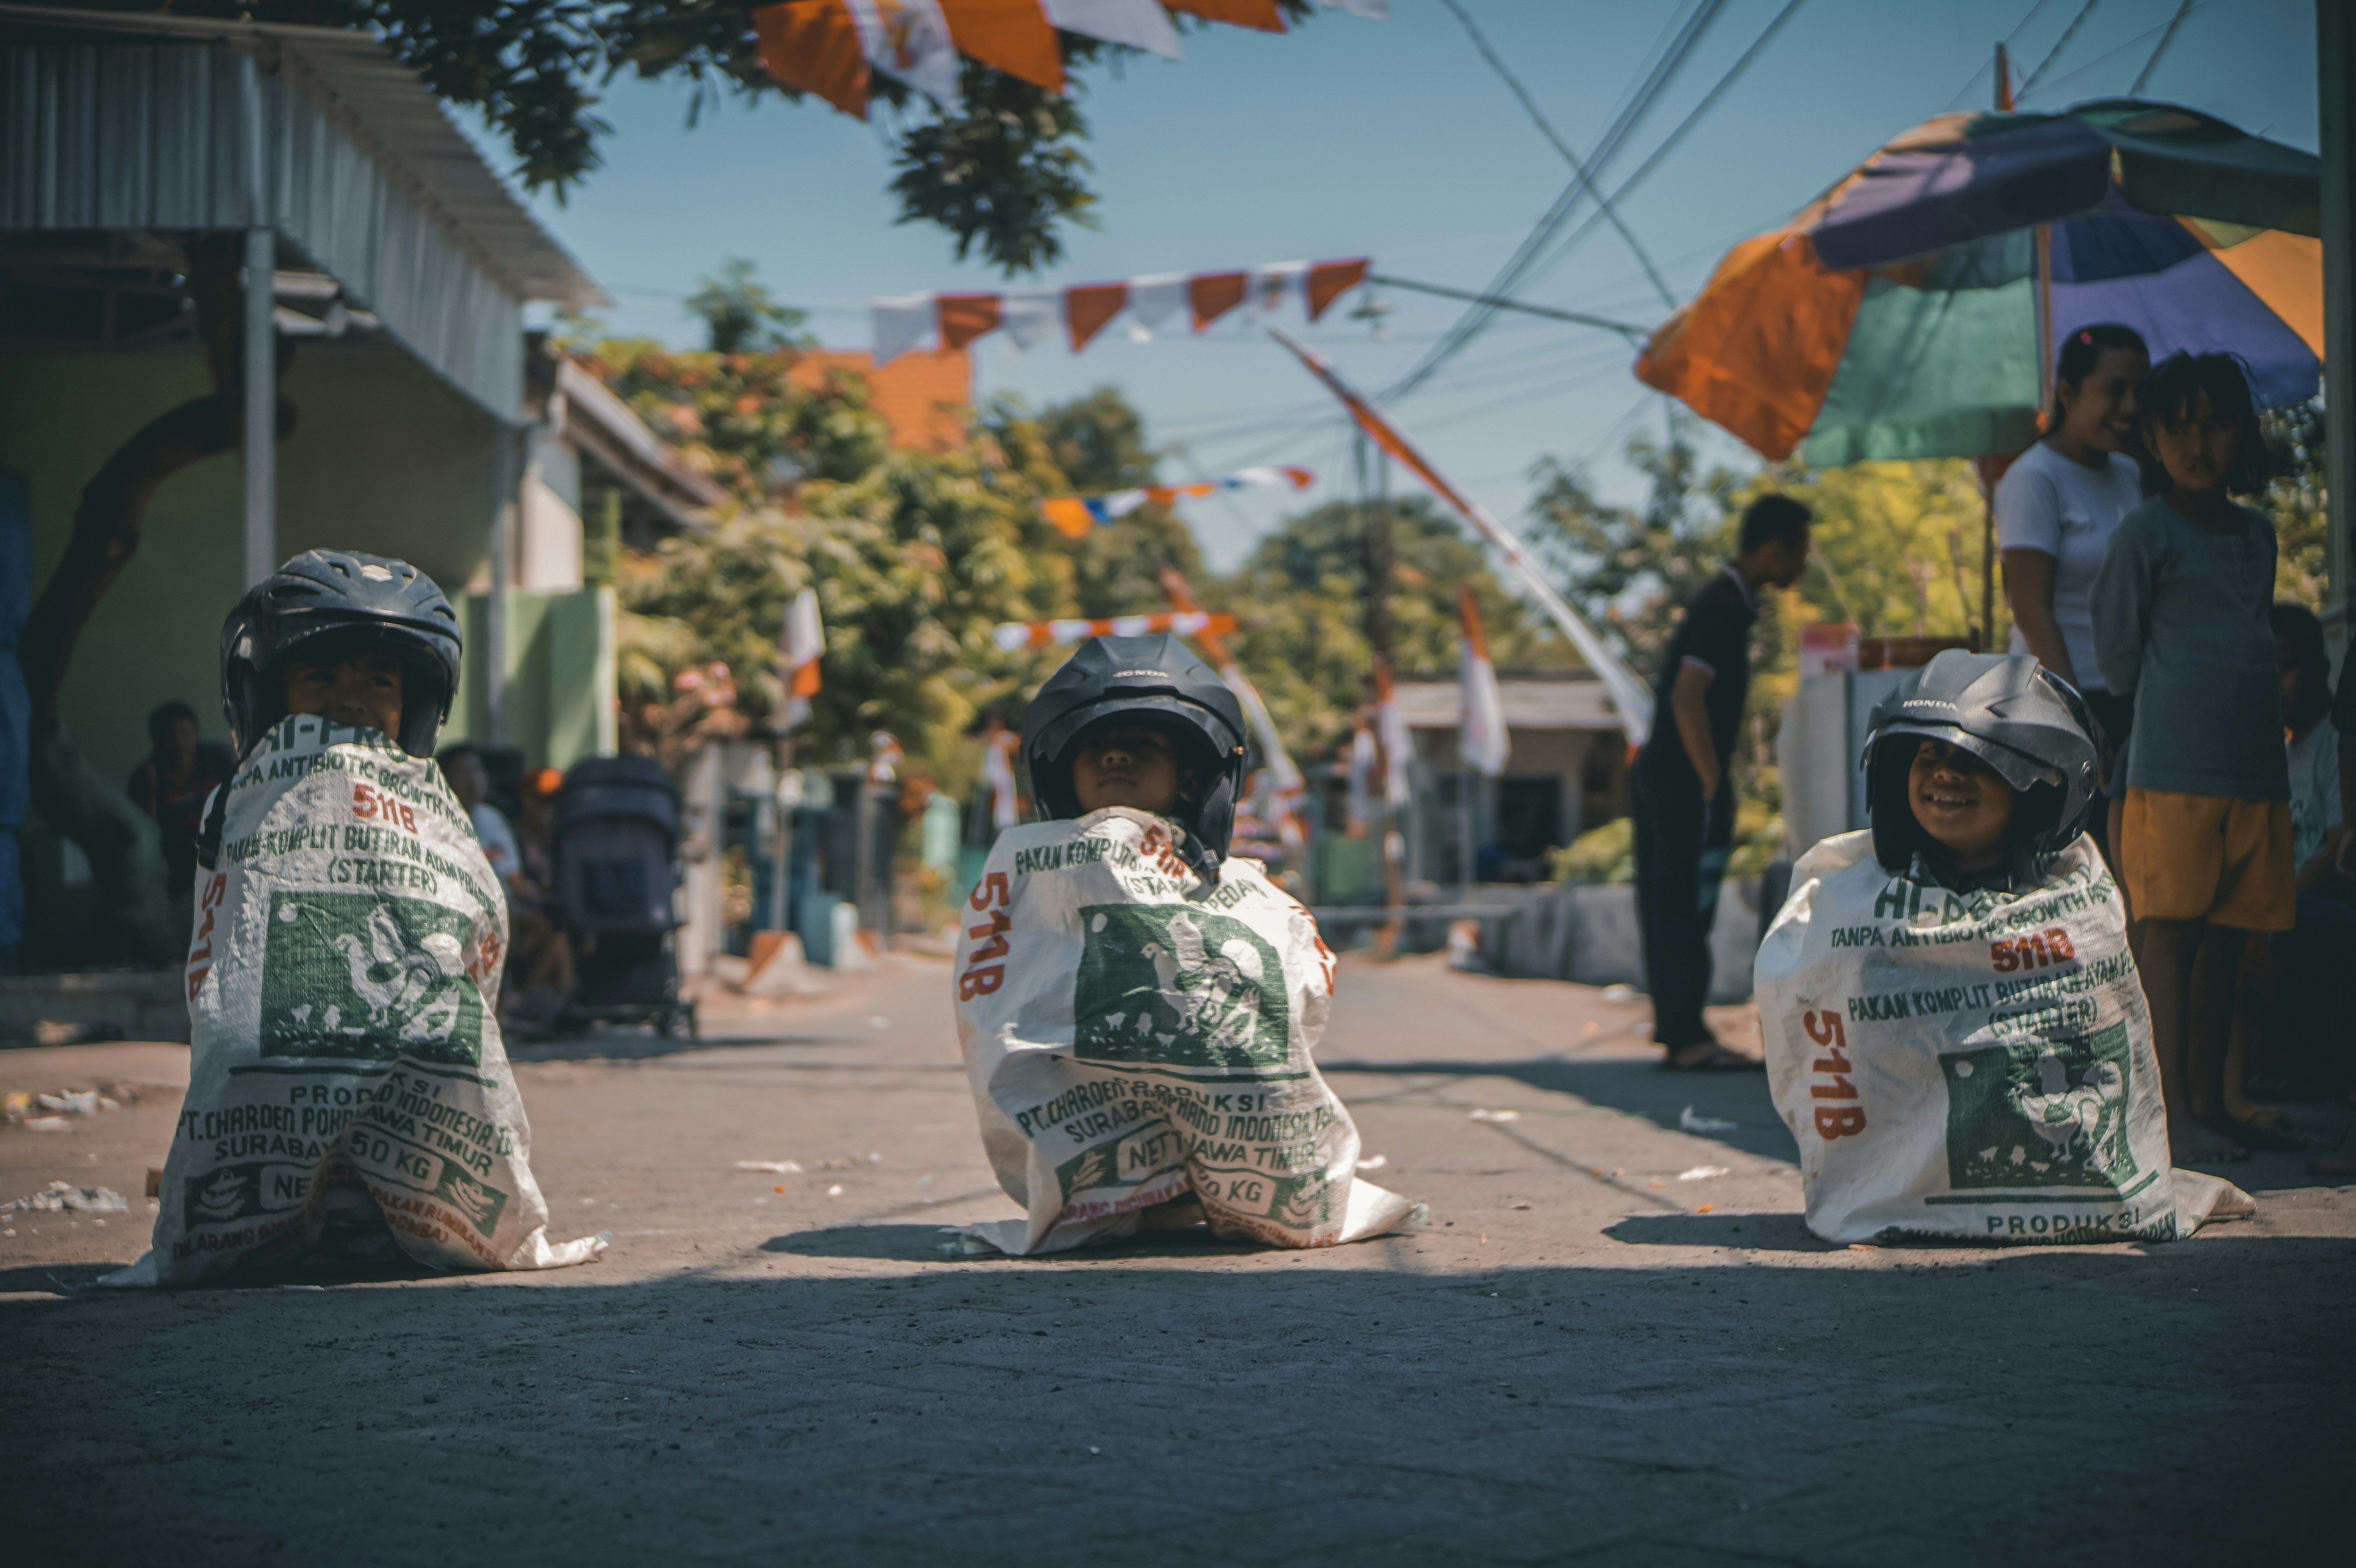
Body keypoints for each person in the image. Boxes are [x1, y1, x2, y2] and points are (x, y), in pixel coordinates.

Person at [107, 549, 598, 1284]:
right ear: (269, 695)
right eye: (322, 677)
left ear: (420, 705)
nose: (353, 698)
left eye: (380, 680)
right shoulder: (245, 796)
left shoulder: (437, 807)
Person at [2091, 352, 2287, 1163]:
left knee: (2228, 940)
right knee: (2167, 934)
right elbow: (2117, 653)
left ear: (2240, 431)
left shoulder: (2260, 535)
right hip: (2169, 770)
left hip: (2251, 770)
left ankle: (2210, 1101)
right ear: (2152, 439)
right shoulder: (2146, 532)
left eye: (2212, 425)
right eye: (2176, 428)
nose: (2196, 444)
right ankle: (2169, 1116)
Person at [1633, 493, 1812, 1070]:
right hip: (1683, 777)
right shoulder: (1725, 608)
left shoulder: (1725, 599)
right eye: (1798, 552)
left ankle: (1680, 1029)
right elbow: (1689, 699)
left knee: (1672, 903)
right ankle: (1687, 1039)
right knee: (1685, 904)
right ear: (1772, 549)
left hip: (1667, 772)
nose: (1801, 566)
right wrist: (1712, 781)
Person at [1998, 323, 2149, 864]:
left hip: (2129, 694)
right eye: (2113, 389)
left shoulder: (2130, 474)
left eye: (2139, 389)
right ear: (2066, 392)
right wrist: (2077, 715)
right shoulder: (2033, 478)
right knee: (2074, 865)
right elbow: (2028, 605)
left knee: (2137, 866)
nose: (2130, 406)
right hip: (2058, 699)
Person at [126, 699, 236, 900]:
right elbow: (147, 834)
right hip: (176, 855)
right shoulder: (147, 776)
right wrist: (151, 791)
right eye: (170, 735)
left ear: (196, 733)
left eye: (185, 733)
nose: (179, 742)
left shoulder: (218, 760)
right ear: (157, 740)